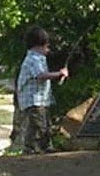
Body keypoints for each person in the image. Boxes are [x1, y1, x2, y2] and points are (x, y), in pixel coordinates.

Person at [15, 26, 67, 154]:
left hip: (42, 100)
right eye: (46, 47)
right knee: (37, 125)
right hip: (33, 100)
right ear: (38, 46)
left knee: (46, 123)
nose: (48, 50)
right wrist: (59, 74)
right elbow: (40, 75)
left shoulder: (39, 59)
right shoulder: (33, 59)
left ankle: (46, 147)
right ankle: (30, 148)